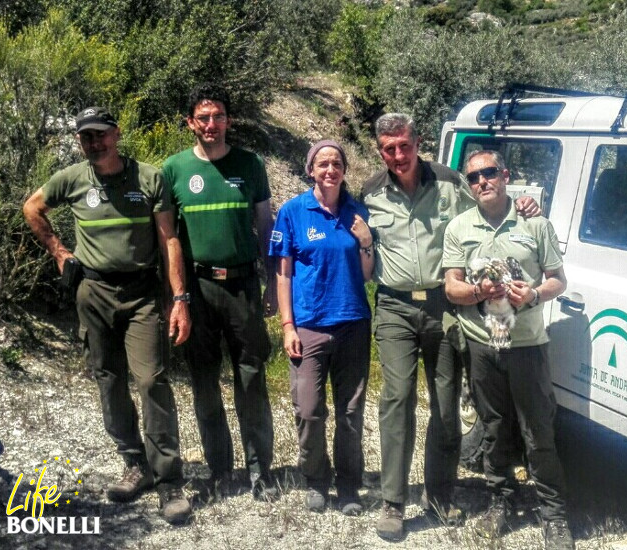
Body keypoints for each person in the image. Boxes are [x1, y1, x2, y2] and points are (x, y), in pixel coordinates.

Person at [360, 113, 539, 541]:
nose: (398, 155)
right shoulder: (369, 192)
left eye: (404, 145)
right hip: (395, 307)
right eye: (389, 149)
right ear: (380, 150)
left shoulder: (449, 181)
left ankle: (439, 495)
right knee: (397, 399)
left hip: (444, 304)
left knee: (444, 404)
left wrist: (525, 204)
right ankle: (393, 502)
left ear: (417, 142)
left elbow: (488, 209)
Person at [23, 107, 192, 525]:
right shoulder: (73, 178)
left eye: (100, 135)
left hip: (141, 296)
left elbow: (169, 239)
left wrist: (180, 298)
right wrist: (60, 252)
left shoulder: (149, 178)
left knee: (151, 380)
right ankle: (135, 464)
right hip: (92, 291)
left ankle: (169, 480)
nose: (94, 143)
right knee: (109, 378)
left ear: (116, 134)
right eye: (86, 137)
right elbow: (32, 207)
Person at [443, 150, 574, 550]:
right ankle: (500, 501)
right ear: (469, 185)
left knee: (537, 430)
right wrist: (476, 291)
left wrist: (533, 293)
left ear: (505, 175)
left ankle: (554, 516)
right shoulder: (459, 227)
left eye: (489, 173)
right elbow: (451, 286)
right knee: (494, 428)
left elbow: (558, 281)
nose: (482, 181)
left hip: (526, 345)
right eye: (474, 177)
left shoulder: (535, 223)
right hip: (483, 345)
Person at [162, 83, 277, 501]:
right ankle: (219, 470)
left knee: (252, 378)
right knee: (204, 381)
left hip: (243, 285)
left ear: (228, 120)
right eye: (203, 117)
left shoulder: (251, 164)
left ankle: (260, 470)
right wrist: (178, 298)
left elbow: (266, 227)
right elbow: (169, 238)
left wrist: (272, 284)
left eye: (219, 117)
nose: (212, 124)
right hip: (197, 288)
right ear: (191, 122)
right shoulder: (173, 169)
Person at [270, 140, 374, 515]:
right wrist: (287, 326)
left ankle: (348, 487)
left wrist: (366, 242)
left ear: (344, 170)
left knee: (350, 413)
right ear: (311, 170)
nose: (330, 170)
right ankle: (316, 479)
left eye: (336, 163)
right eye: (322, 164)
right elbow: (283, 275)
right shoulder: (293, 211)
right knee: (310, 411)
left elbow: (367, 276)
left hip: (352, 325)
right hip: (309, 326)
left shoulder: (357, 212)